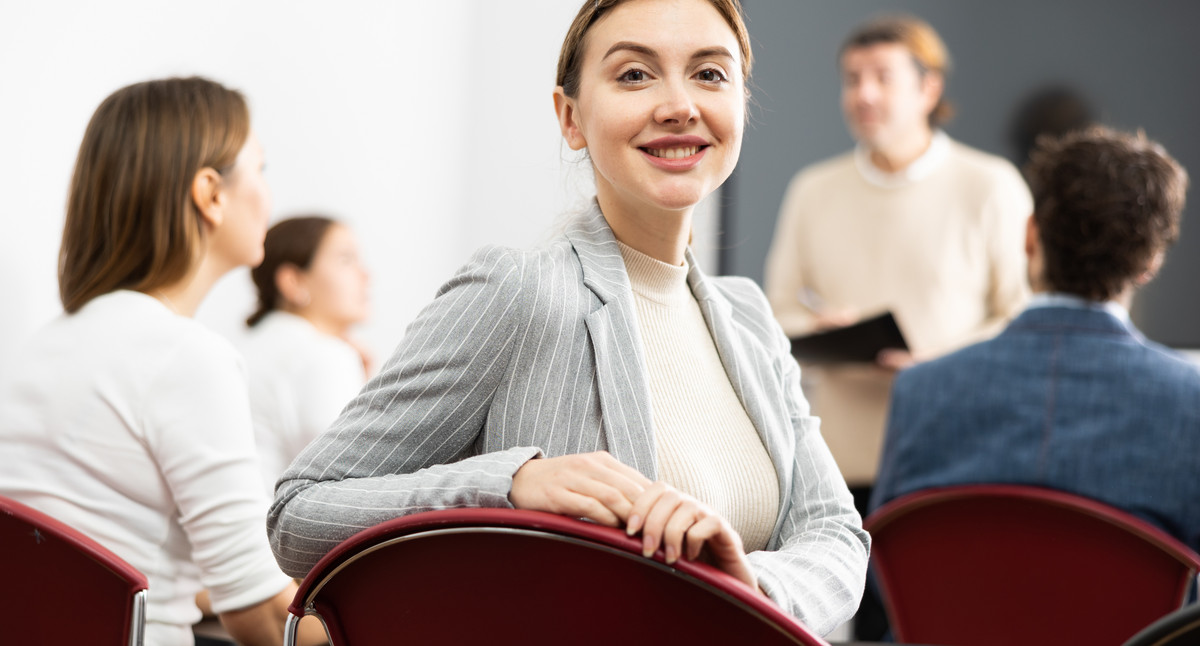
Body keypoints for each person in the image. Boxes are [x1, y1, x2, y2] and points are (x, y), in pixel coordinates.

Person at [269, 0, 869, 635]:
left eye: (710, 74)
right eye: (635, 75)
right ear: (570, 117)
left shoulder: (751, 320)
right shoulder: (518, 290)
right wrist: (511, 486)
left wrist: (750, 587)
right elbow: (299, 512)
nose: (678, 105)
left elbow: (834, 532)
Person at [0, 77, 325, 646]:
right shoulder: (186, 358)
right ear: (212, 194)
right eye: (261, 169)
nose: (270, 197)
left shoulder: (42, 346)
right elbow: (266, 621)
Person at [872, 126, 1198, 554]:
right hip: (1129, 625)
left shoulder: (920, 391)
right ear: (1150, 263)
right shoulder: (1189, 404)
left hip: (962, 622)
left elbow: (886, 569)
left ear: (1029, 235)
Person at [763, 15, 1033, 513]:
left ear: (929, 89)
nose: (864, 94)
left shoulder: (992, 186)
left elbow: (1021, 319)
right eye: (852, 79)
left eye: (883, 78)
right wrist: (821, 327)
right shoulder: (812, 190)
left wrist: (938, 363)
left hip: (955, 460)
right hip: (838, 467)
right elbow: (776, 312)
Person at [242, 215, 371, 492]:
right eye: (345, 260)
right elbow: (353, 479)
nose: (365, 274)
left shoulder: (249, 347)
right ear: (293, 282)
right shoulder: (324, 354)